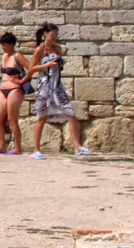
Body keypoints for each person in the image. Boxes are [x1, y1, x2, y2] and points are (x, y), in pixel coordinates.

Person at [24, 23, 88, 157]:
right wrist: (47, 64)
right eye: (53, 34)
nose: (55, 37)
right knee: (42, 117)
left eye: (56, 34)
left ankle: (77, 146)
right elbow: (31, 68)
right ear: (45, 34)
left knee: (70, 113)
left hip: (57, 86)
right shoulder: (40, 49)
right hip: (44, 86)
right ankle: (36, 149)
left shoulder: (57, 48)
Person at [0, 31, 28, 153]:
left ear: (11, 44)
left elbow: (31, 67)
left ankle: (18, 147)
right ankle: (2, 146)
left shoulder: (18, 56)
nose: (3, 47)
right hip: (4, 88)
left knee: (12, 119)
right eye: (2, 45)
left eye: (5, 45)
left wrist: (22, 80)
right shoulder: (4, 56)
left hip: (15, 89)